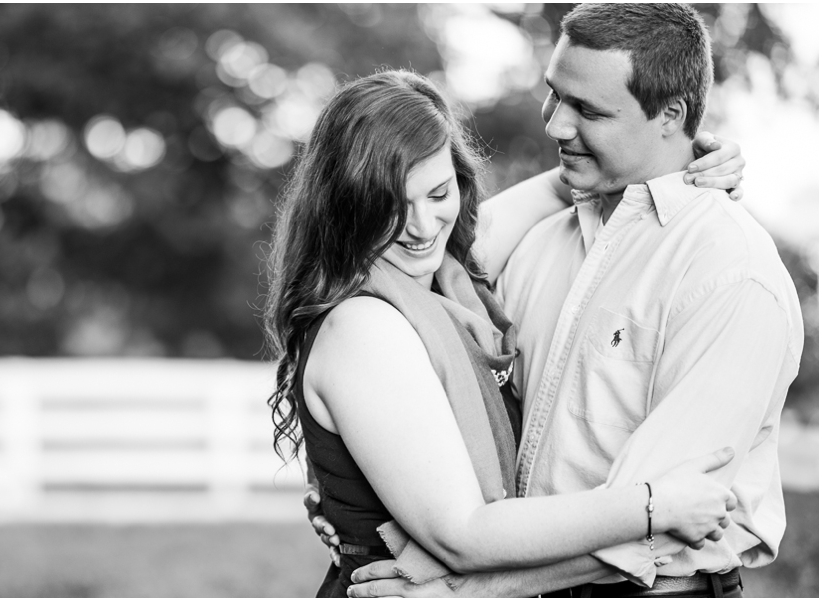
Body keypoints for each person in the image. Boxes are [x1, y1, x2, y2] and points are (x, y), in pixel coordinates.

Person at [345, 4, 803, 598]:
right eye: (556, 95)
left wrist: (463, 590)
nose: (556, 125)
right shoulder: (541, 242)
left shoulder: (729, 274)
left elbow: (669, 522)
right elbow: (444, 375)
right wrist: (357, 496)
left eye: (588, 110)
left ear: (671, 116)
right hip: (511, 572)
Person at [265, 67, 748, 598]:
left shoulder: (442, 279)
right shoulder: (366, 324)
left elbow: (566, 184)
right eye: (391, 206)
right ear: (348, 206)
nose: (423, 226)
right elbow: (463, 535)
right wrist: (655, 506)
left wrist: (685, 154)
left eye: (438, 193)